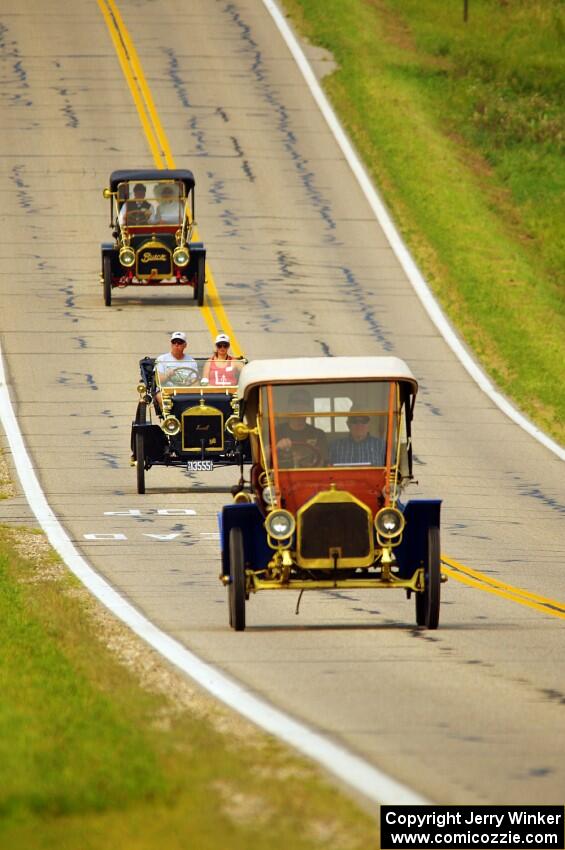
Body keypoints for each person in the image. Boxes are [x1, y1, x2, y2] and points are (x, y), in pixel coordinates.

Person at [275, 388, 328, 468]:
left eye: (304, 402)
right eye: (295, 401)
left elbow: (323, 462)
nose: (299, 405)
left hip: (310, 476)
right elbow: (264, 458)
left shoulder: (318, 434)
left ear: (309, 409)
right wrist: (277, 447)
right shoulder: (276, 431)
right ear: (288, 407)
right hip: (282, 476)